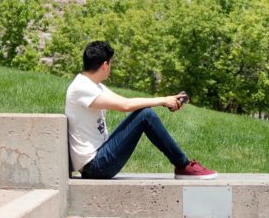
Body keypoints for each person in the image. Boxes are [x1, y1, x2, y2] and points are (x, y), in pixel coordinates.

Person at [65, 41, 217, 180]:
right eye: (111, 64)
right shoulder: (81, 87)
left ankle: (183, 165)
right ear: (105, 65)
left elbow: (125, 101)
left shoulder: (92, 85)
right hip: (95, 166)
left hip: (98, 161)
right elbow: (126, 106)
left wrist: (166, 100)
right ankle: (183, 165)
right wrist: (163, 100)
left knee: (144, 113)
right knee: (146, 115)